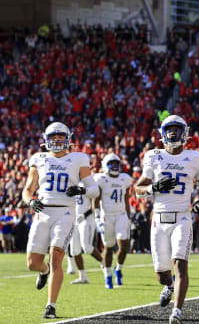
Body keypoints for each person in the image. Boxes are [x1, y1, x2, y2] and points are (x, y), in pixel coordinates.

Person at [134, 115, 199, 324]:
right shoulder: (153, 156)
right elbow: (137, 190)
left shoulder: (194, 157)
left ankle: (176, 312)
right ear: (162, 134)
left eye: (177, 129)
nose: (172, 134)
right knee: (162, 274)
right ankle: (169, 286)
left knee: (180, 264)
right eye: (169, 129)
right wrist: (154, 187)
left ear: (184, 133)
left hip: (182, 217)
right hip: (159, 219)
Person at [22, 122, 100, 318]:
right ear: (46, 140)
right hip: (42, 212)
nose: (56, 141)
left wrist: (81, 189)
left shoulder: (78, 158)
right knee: (32, 263)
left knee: (56, 255)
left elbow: (94, 189)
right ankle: (44, 270)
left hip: (66, 212)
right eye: (53, 137)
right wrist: (30, 202)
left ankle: (51, 306)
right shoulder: (39, 158)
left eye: (60, 137)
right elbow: (28, 190)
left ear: (68, 139)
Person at [94, 153, 133, 289]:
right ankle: (108, 275)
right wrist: (97, 218)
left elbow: (126, 199)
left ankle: (118, 268)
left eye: (117, 164)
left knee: (124, 246)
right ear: (106, 165)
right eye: (112, 164)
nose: (115, 167)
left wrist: (129, 218)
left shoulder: (125, 179)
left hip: (121, 214)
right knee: (108, 247)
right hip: (107, 216)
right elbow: (96, 200)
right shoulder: (101, 179)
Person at [68, 183, 104, 284]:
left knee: (87, 247)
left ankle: (105, 265)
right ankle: (83, 277)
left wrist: (84, 215)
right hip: (74, 219)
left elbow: (94, 203)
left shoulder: (88, 183)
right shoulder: (71, 182)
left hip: (86, 219)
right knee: (74, 250)